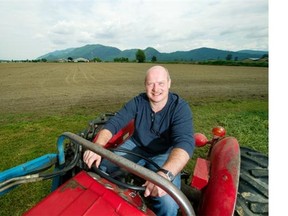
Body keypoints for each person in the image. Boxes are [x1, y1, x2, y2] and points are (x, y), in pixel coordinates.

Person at [83, 65, 195, 216]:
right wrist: (97, 147)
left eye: (161, 83)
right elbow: (114, 123)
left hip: (164, 153)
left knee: (168, 203)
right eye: (151, 84)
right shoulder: (138, 102)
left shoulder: (180, 108)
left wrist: (164, 175)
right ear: (145, 85)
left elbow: (185, 143)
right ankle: (108, 207)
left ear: (169, 83)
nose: (156, 89)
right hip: (136, 145)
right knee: (103, 168)